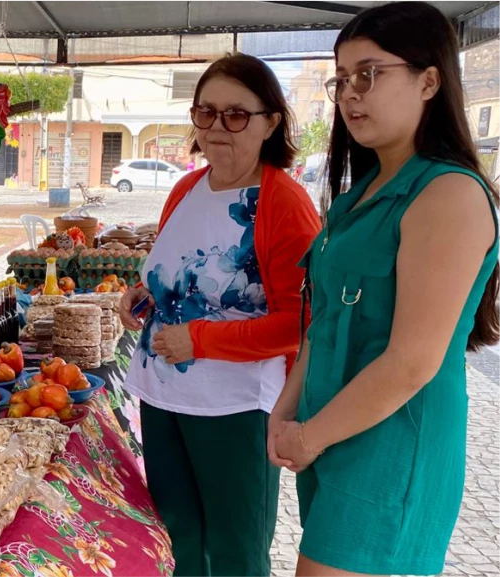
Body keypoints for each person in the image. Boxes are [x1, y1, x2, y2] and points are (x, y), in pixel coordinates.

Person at [268, 3, 499, 576]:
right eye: (341, 79)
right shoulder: (362, 194)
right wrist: (285, 410)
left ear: (429, 80)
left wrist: (309, 436)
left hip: (392, 447)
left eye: (369, 74)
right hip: (334, 433)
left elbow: (412, 363)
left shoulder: (449, 195)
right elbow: (324, 321)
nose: (350, 94)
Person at [117, 53, 321, 577]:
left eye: (236, 114)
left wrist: (201, 340)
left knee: (235, 550)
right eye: (205, 112)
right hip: (163, 398)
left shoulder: (283, 202)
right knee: (179, 536)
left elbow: (301, 322)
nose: (216, 127)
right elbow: (169, 275)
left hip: (236, 409)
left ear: (271, 121)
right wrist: (141, 297)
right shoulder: (186, 189)